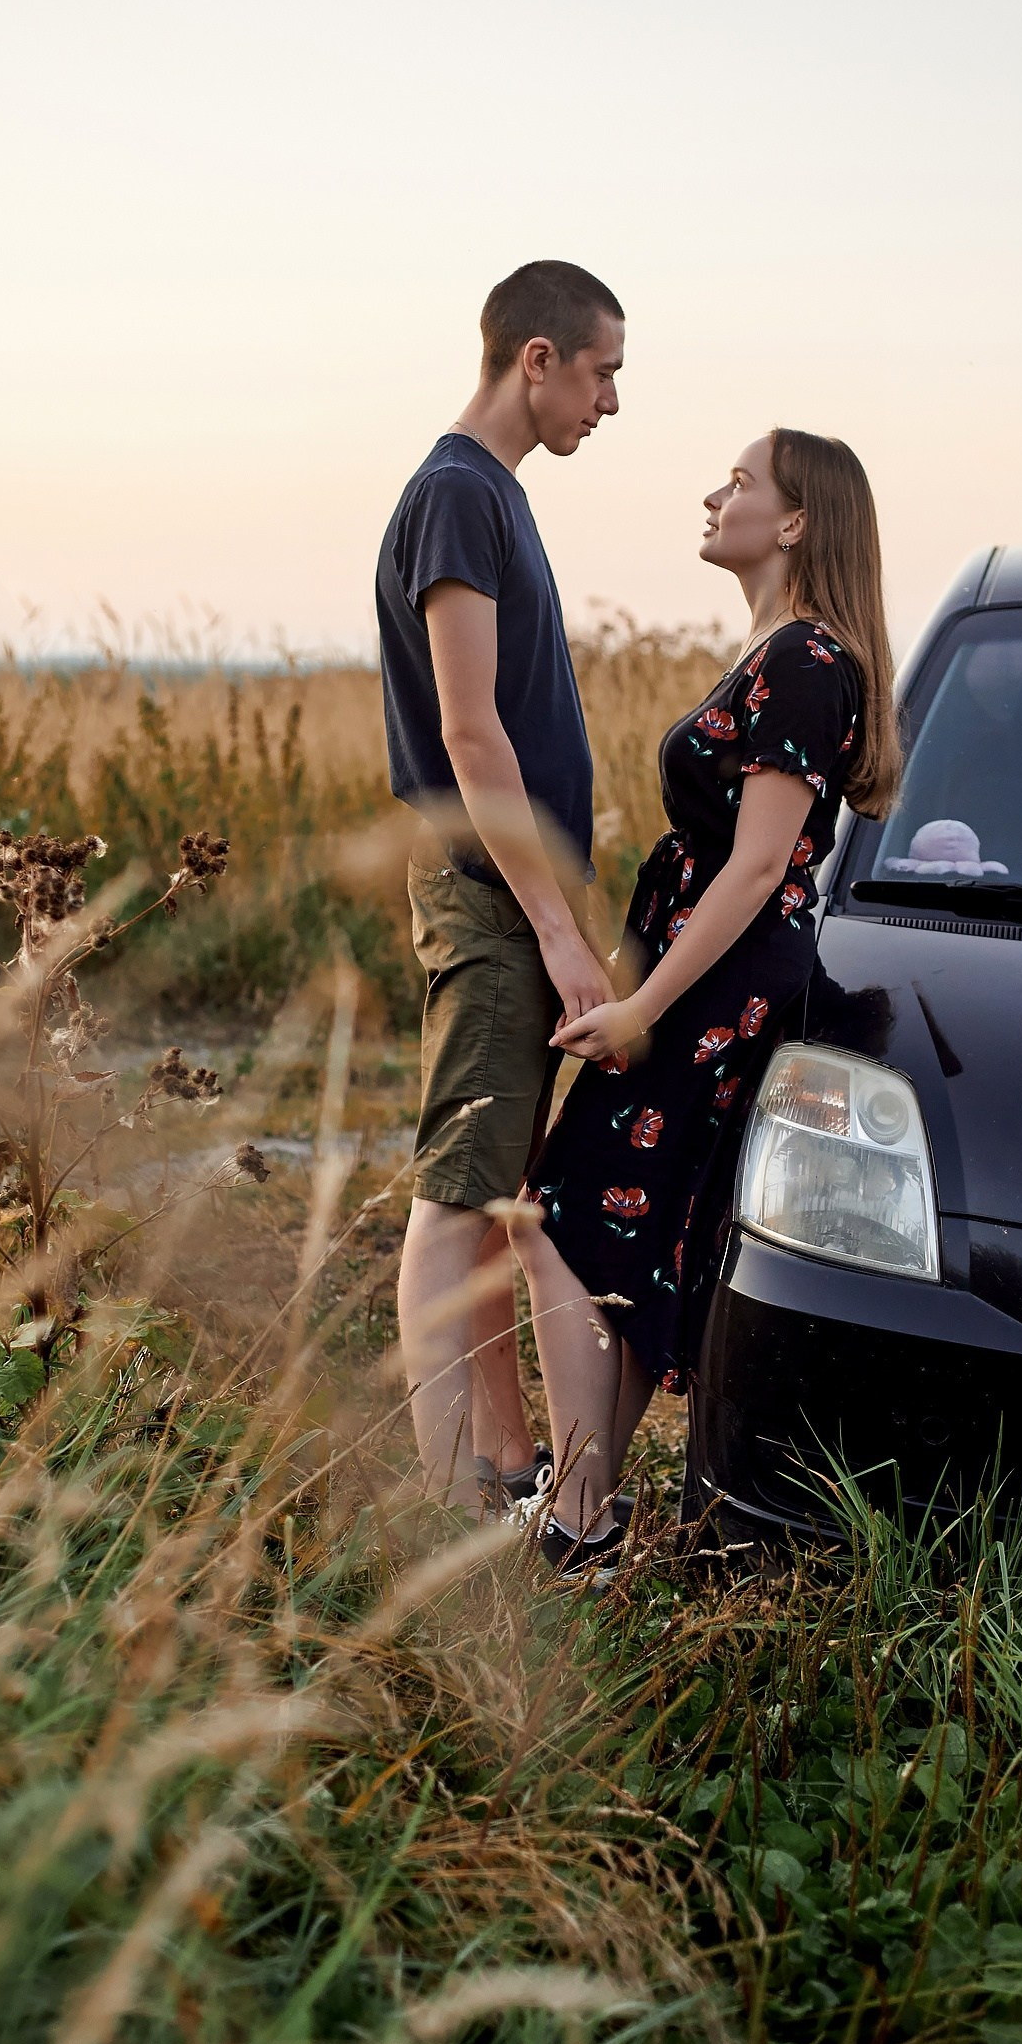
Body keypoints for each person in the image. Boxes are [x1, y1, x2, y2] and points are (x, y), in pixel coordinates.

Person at [511, 427, 902, 1578]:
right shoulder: (784, 650)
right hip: (712, 970)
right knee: (634, 1240)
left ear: (793, 521)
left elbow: (756, 864)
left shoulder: (805, 661)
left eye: (738, 481)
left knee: (556, 1220)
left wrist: (642, 1009)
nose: (713, 492)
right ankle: (582, 1514)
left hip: (718, 977)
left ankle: (576, 1515)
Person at [375, 261, 625, 1509]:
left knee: (488, 1206)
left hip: (506, 892)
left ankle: (503, 1468)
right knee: (455, 1199)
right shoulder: (458, 497)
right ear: (536, 358)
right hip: (486, 890)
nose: (611, 400)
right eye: (601, 371)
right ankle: (430, 1516)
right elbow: (470, 736)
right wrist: (559, 934)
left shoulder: (492, 498)